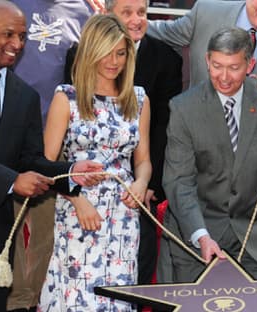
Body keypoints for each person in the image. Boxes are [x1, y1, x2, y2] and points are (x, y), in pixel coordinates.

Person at [147, 0, 257, 280]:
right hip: (199, 224)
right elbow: (179, 180)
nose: (224, 78)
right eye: (217, 66)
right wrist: (126, 18)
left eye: (234, 68)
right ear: (206, 61)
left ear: (251, 65)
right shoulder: (184, 108)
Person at [0, 1, 104, 311]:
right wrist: (13, 180)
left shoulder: (23, 95)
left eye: (23, 36)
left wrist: (70, 172)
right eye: (9, 34)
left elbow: (30, 159)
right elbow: (16, 173)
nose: (17, 44)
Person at [38, 14, 151, 311]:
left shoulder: (138, 100)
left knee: (118, 297)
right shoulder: (68, 98)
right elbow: (45, 166)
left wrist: (140, 184)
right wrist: (76, 199)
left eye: (121, 53)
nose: (113, 62)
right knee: (78, 297)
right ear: (90, 52)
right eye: (106, 52)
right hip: (78, 211)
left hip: (124, 215)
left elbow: (143, 161)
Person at [104, 0, 183, 285]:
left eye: (142, 13)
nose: (137, 20)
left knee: (137, 263)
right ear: (107, 14)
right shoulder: (79, 54)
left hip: (140, 185)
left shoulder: (167, 59)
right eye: (127, 12)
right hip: (92, 181)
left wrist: (151, 184)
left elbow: (164, 128)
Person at [147, 0, 257, 110]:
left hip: (254, 150)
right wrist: (128, 22)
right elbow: (164, 33)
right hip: (197, 136)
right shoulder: (207, 11)